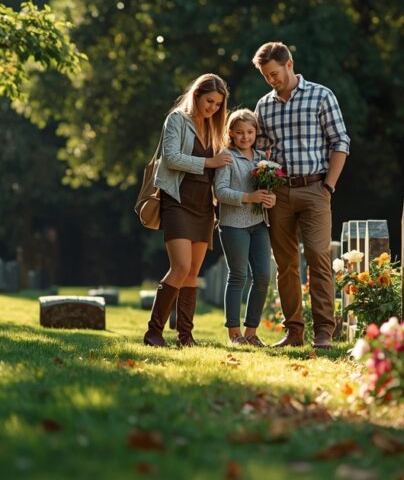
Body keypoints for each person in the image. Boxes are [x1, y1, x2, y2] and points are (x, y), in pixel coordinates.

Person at [251, 41, 350, 349]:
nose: (271, 80)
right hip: (279, 193)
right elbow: (258, 151)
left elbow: (340, 142)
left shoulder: (321, 95)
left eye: (274, 73)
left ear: (289, 64)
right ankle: (294, 331)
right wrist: (264, 182)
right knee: (286, 264)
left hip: (316, 188)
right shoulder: (264, 105)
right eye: (266, 76)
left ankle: (323, 331)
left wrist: (329, 186)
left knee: (319, 257)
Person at [143, 73, 232, 347]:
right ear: (196, 95)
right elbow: (170, 158)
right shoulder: (177, 120)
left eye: (218, 104)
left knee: (193, 272)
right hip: (177, 200)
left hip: (204, 205)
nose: (213, 108)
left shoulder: (214, 127)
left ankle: (186, 337)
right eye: (209, 101)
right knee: (180, 267)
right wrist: (209, 163)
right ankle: (153, 332)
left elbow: (223, 165)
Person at [214, 109, 276, 346]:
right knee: (239, 275)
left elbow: (268, 191)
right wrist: (249, 198)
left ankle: (251, 333)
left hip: (259, 224)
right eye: (239, 132)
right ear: (230, 133)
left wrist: (271, 199)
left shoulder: (263, 158)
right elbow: (220, 192)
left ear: (255, 132)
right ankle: (234, 334)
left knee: (263, 276)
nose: (245, 137)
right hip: (233, 225)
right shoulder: (226, 156)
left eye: (250, 132)